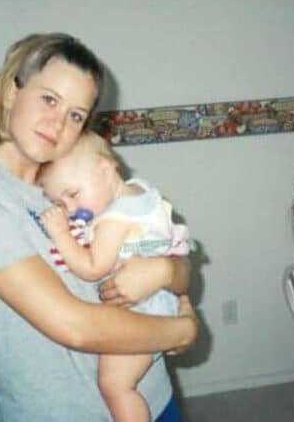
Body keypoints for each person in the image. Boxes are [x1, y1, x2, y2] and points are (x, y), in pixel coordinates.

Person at [0, 32, 198, 421]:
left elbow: (166, 249)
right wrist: (183, 332)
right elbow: (74, 326)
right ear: (11, 91)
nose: (58, 123)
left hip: (149, 397)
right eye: (49, 99)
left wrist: (163, 270)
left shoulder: (75, 177)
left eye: (76, 114)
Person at [38, 131, 192, 422]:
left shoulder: (113, 220)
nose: (70, 210)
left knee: (115, 385)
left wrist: (60, 234)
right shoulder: (141, 191)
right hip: (159, 300)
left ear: (105, 168)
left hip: (142, 309)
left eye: (72, 194)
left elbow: (92, 268)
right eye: (59, 203)